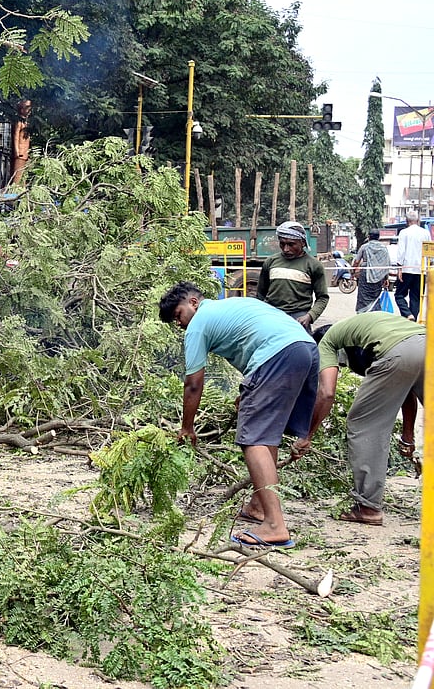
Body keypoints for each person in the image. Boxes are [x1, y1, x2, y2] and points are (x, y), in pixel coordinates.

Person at [159, 281, 318, 548]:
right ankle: (258, 505)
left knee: (252, 439)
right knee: (267, 436)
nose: (180, 324)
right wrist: (251, 389)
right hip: (304, 348)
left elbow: (194, 383)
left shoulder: (199, 323)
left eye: (178, 315)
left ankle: (275, 525)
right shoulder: (235, 304)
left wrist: (187, 427)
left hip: (277, 354)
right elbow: (258, 336)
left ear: (193, 303)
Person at [307, 313, 424, 525]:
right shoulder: (369, 332)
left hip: (400, 352)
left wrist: (307, 435)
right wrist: (407, 436)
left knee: (364, 424)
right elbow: (405, 388)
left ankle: (368, 506)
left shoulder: (327, 341)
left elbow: (326, 393)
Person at [256, 221, 329, 332]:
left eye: (291, 244)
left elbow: (322, 298)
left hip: (298, 319)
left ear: (303, 243)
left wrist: (309, 316)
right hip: (272, 316)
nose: (286, 249)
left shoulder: (314, 265)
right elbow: (261, 294)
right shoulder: (270, 262)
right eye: (282, 244)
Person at [394, 211, 429, 320]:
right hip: (421, 269)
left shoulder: (404, 232)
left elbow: (401, 252)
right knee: (416, 298)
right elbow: (428, 251)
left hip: (406, 269)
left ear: (407, 221)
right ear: (418, 221)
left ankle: (408, 314)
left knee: (399, 295)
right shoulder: (425, 233)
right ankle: (412, 319)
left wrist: (399, 268)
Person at [351, 229, 391, 313]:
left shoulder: (365, 247)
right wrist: (386, 278)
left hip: (366, 275)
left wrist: (353, 271)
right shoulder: (383, 248)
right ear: (378, 237)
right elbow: (386, 264)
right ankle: (374, 314)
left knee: (363, 297)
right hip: (379, 276)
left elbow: (356, 261)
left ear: (368, 237)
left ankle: (363, 315)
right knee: (375, 297)